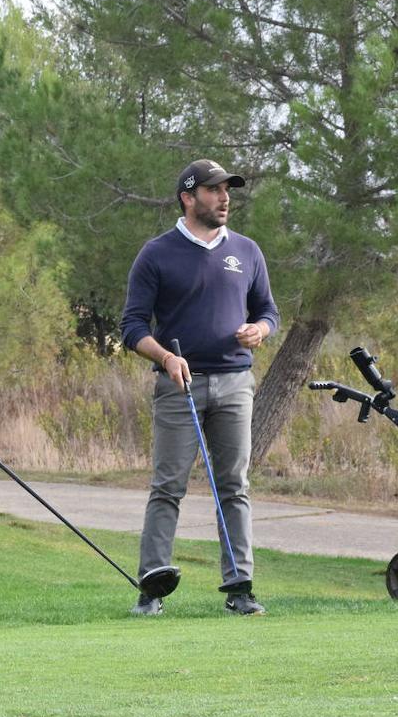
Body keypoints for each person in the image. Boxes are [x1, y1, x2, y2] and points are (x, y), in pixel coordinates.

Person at [119, 159, 279, 617]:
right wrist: (166, 357)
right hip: (179, 386)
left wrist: (261, 331)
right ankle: (151, 589)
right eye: (213, 190)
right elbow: (132, 326)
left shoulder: (247, 251)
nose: (224, 197)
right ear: (188, 197)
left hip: (235, 383)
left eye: (227, 189)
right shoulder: (157, 253)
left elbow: (268, 310)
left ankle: (240, 588)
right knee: (168, 486)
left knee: (235, 485)